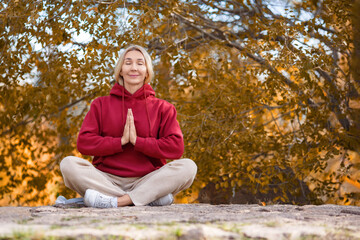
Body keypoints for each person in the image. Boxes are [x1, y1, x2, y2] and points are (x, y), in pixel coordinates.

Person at [59, 45, 197, 208]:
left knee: (188, 167)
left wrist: (138, 142)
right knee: (68, 164)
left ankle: (116, 202)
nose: (134, 68)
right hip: (106, 179)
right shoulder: (101, 104)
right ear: (120, 70)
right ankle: (148, 199)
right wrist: (121, 141)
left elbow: (176, 148)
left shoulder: (164, 108)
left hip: (149, 179)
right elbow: (84, 143)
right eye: (128, 62)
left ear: (147, 71)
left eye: (140, 63)